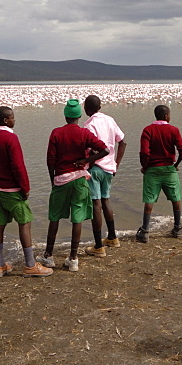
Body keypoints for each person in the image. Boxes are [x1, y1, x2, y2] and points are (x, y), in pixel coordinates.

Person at [0, 106, 53, 278]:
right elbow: (18, 166)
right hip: (12, 189)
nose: (14, 120)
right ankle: (30, 265)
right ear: (6, 120)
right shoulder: (10, 138)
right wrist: (25, 187)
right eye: (12, 117)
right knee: (25, 222)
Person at [41, 100, 109, 272]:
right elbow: (105, 150)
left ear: (65, 115)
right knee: (77, 217)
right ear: (79, 116)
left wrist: (53, 180)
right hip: (79, 180)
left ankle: (48, 255)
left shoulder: (56, 133)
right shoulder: (84, 133)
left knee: (54, 217)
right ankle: (73, 258)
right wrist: (86, 161)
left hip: (61, 180)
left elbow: (50, 160)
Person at [137, 104, 182, 243]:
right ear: (166, 116)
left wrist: (145, 167)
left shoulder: (148, 130)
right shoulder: (174, 130)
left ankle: (145, 231)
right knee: (175, 198)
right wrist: (176, 165)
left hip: (152, 170)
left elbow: (144, 152)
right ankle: (178, 228)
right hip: (169, 169)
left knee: (149, 200)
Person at [82, 95, 126, 256]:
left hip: (95, 169)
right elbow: (122, 141)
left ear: (86, 108)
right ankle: (113, 238)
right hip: (109, 169)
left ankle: (98, 246)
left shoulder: (89, 125)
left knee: (96, 205)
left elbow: (93, 149)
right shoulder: (109, 120)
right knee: (106, 200)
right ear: (99, 107)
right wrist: (116, 163)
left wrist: (88, 162)